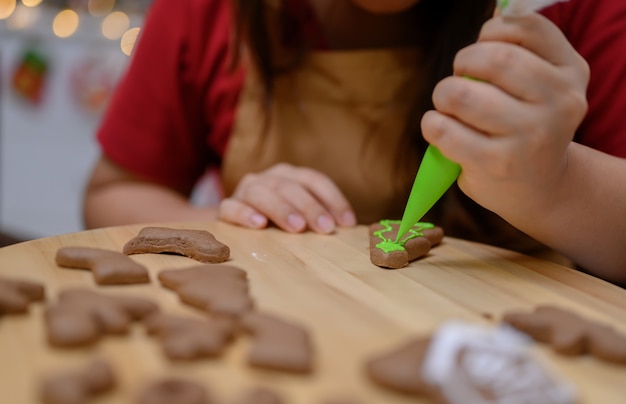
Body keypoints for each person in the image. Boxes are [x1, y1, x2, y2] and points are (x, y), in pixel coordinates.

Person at [82, 0, 626, 285]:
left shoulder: (577, 16)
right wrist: (223, 224)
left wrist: (558, 186)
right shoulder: (210, 12)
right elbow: (112, 192)